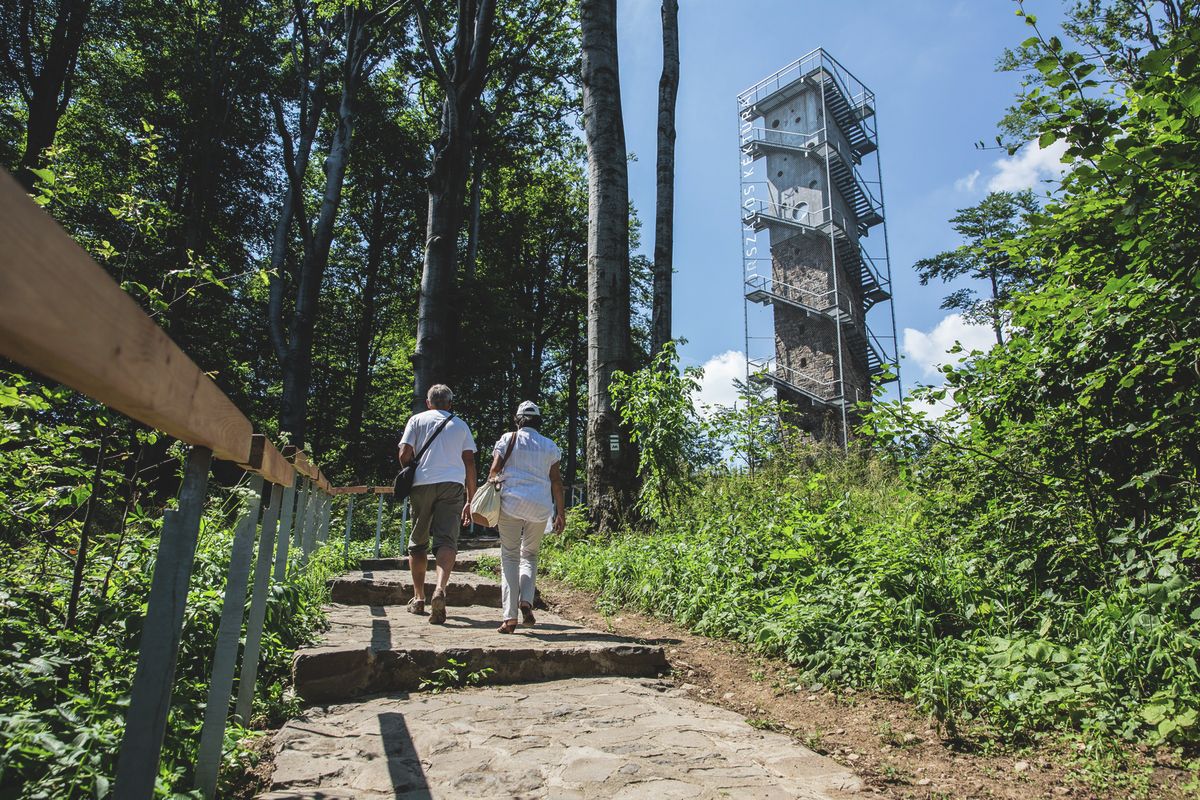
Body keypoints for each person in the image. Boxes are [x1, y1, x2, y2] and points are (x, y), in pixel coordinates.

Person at [398, 384, 477, 624]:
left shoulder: (417, 420)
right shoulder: (461, 425)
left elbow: (404, 454)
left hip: (422, 484)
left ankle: (419, 597)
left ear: (428, 402)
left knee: (418, 541)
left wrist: (410, 470)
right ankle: (440, 589)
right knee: (447, 541)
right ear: (450, 404)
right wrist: (470, 499)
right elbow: (470, 463)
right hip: (452, 485)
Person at [488, 400, 565, 634]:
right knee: (529, 555)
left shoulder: (508, 439)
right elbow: (556, 481)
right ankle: (526, 601)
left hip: (511, 503)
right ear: (538, 421)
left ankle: (509, 618)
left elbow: (494, 470)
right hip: (540, 507)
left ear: (518, 419)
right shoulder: (549, 446)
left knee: (510, 557)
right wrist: (560, 513)